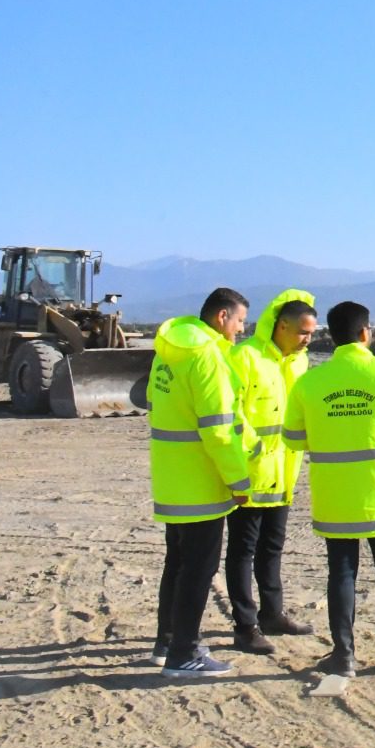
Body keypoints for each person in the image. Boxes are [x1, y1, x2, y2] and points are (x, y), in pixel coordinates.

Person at [284, 301, 375, 677]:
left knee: (341, 573)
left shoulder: (310, 383)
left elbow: (294, 439)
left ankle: (344, 656)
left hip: (336, 498)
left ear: (331, 336)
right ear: (366, 332)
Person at [148, 287, 253, 679]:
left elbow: (153, 402)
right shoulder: (208, 357)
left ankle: (168, 641)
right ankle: (184, 654)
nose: (241, 330)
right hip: (202, 482)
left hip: (172, 478)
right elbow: (219, 431)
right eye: (240, 320)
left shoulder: (168, 350)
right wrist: (239, 480)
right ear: (223, 316)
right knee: (199, 569)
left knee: (177, 563)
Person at [225, 290, 318, 654]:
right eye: (302, 333)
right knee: (243, 550)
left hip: (284, 474)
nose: (307, 340)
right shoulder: (244, 357)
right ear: (281, 326)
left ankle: (272, 613)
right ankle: (245, 626)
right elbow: (231, 413)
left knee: (272, 546)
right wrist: (256, 451)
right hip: (249, 474)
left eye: (311, 333)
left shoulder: (300, 362)